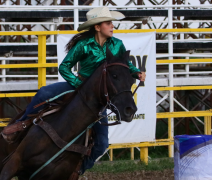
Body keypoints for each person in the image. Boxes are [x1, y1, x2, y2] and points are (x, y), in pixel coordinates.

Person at [17, 7, 146, 174]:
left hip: (98, 95)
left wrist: (136, 72)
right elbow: (64, 67)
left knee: (101, 145)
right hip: (78, 84)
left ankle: (77, 171)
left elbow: (125, 66)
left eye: (112, 23)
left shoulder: (117, 45)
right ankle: (23, 124)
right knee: (44, 93)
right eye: (108, 23)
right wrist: (78, 83)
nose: (113, 26)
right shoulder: (83, 45)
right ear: (98, 27)